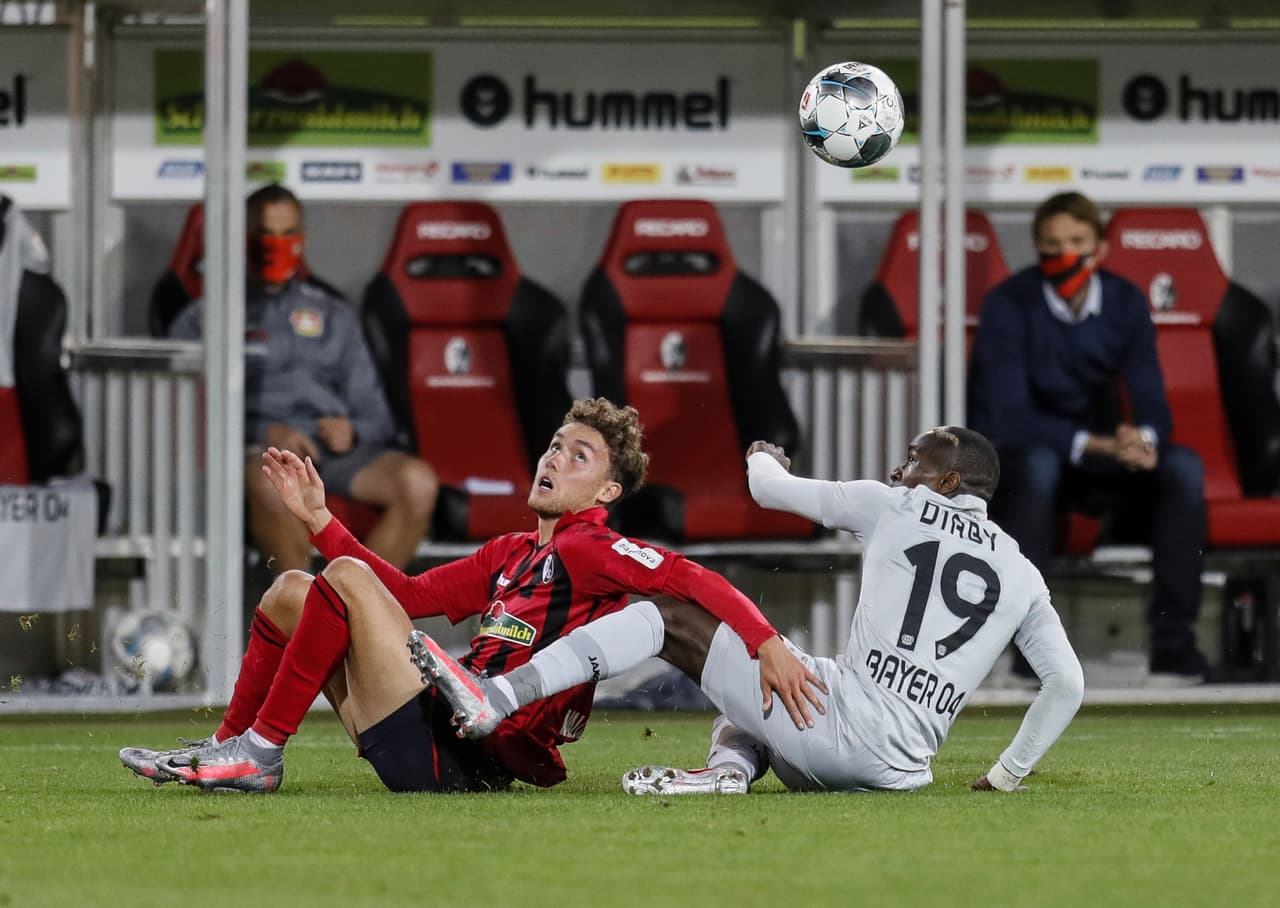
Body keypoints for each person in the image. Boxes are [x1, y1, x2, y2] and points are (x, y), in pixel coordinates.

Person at [118, 398, 824, 794]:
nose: (553, 458)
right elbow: (404, 594)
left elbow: (691, 580)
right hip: (427, 725)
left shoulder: (594, 547)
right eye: (554, 443)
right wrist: (317, 520)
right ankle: (227, 747)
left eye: (578, 456)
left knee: (337, 580)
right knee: (290, 590)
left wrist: (766, 644)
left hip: (469, 757)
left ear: (607, 492)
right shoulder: (511, 552)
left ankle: (262, 755)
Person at [415, 427, 1085, 795]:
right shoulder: (1023, 573)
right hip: (901, 770)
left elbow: (768, 489)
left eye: (913, 461)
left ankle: (495, 696)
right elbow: (1067, 684)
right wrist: (1007, 774)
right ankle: (729, 773)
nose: (896, 469)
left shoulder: (897, 506)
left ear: (946, 482)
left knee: (666, 612)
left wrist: (766, 455)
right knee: (774, 659)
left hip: (834, 729)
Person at [966, 190, 1209, 683]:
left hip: (1103, 461)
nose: (1065, 256)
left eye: (1077, 242)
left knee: (1183, 468)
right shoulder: (1009, 304)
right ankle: (1031, 653)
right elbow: (1008, 418)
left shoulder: (1123, 300)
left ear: (1100, 247)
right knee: (1037, 465)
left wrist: (1142, 441)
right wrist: (1099, 443)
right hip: (1029, 465)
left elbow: (1151, 403)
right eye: (1052, 245)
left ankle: (1174, 649)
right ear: (1036, 248)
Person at [169, 182, 437, 572]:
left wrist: (352, 431)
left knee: (419, 483)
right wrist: (263, 434)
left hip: (331, 456)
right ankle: (302, 620)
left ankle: (347, 612)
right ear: (241, 240)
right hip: (255, 456)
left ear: (302, 239)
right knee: (273, 483)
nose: (276, 244)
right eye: (264, 235)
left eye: (286, 234)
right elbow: (184, 418)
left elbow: (377, 416)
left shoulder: (334, 315)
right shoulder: (205, 319)